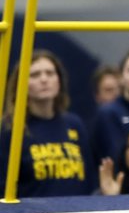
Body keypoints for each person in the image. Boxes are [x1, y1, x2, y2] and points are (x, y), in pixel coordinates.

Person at [0, 50, 93, 197]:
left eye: (50, 73)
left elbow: (88, 178)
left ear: (59, 81)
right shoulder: (10, 129)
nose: (44, 79)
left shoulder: (74, 124)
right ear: (21, 83)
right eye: (35, 75)